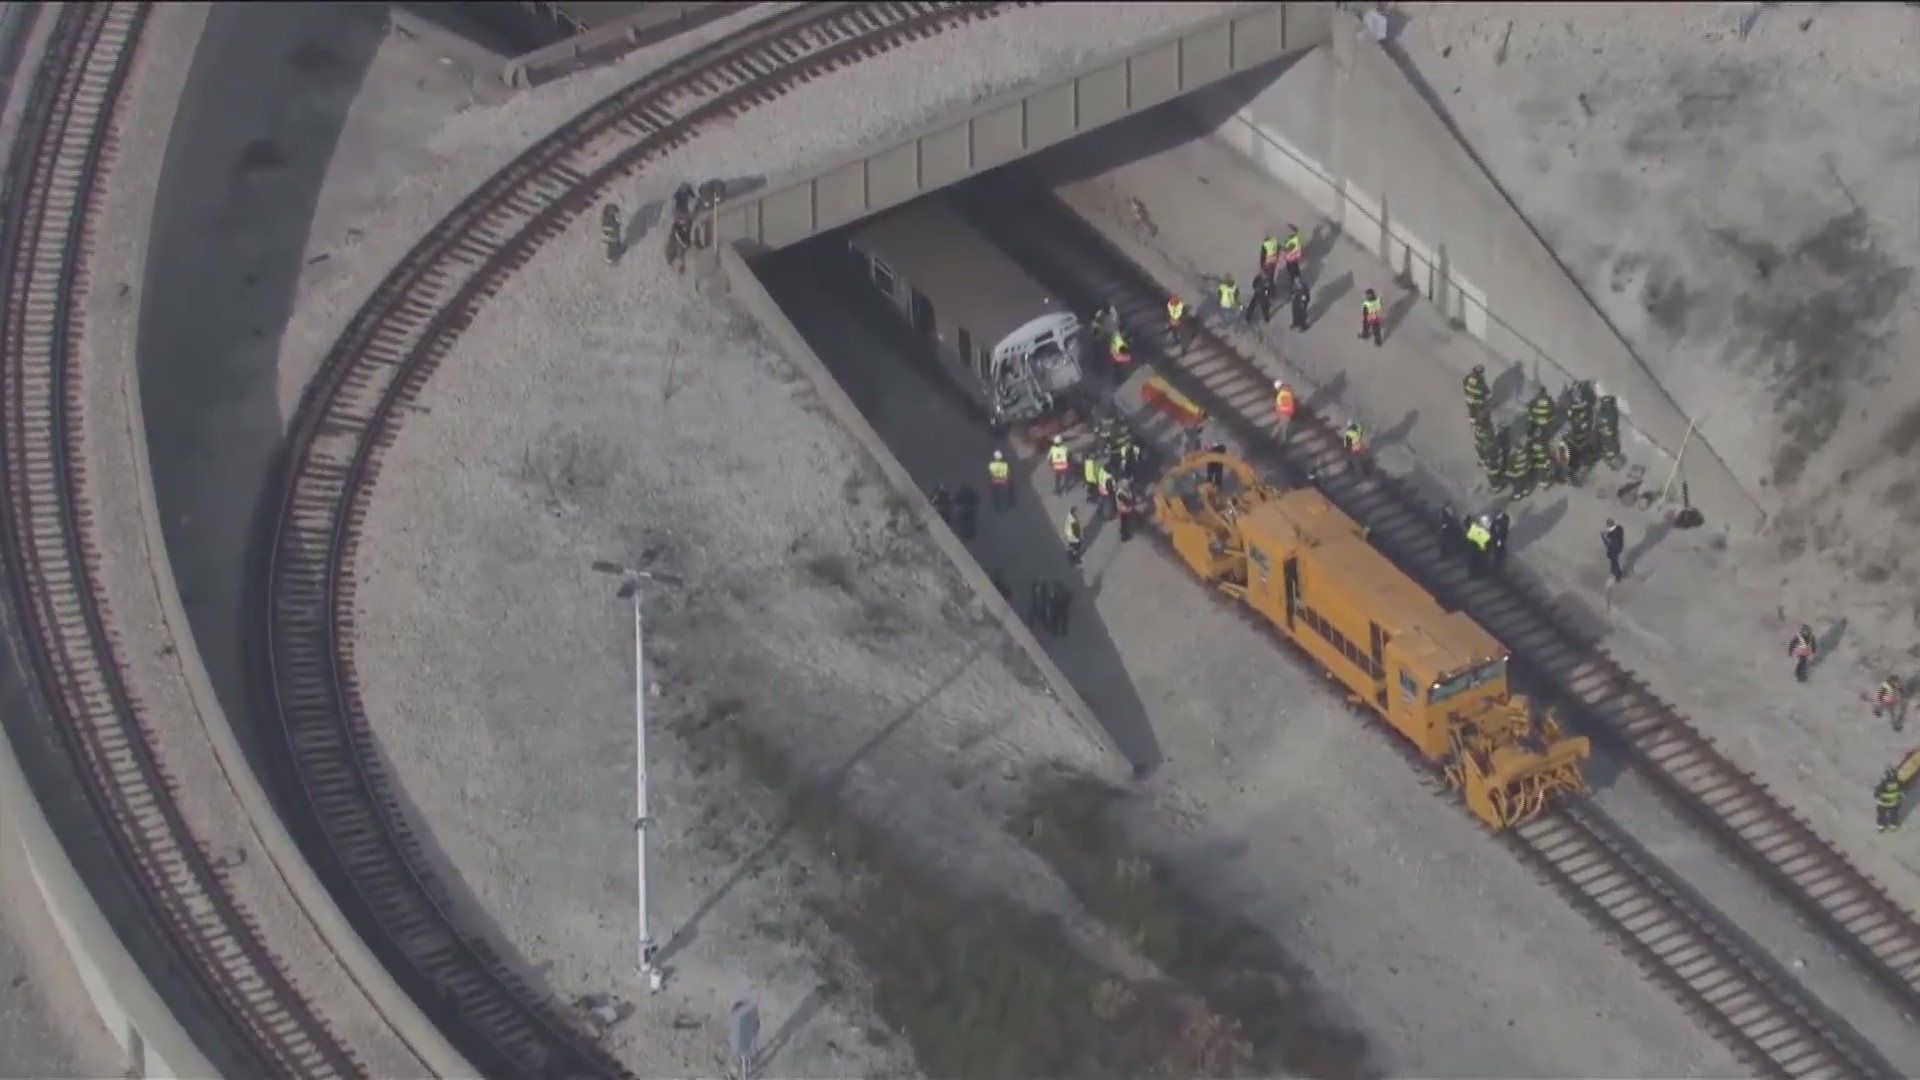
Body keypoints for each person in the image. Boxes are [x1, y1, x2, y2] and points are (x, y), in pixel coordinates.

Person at [1875, 769, 1904, 833]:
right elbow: (1900, 792)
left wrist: (1876, 795)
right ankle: (1893, 825)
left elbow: (1877, 792)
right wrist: (1900, 798)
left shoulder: (1883, 784)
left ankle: (1881, 826)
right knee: (1893, 814)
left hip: (1883, 803)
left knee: (1881, 814)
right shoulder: (1898, 783)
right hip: (1893, 803)